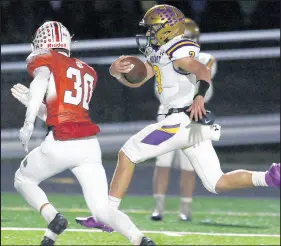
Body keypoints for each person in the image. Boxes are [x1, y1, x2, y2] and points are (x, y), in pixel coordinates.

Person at [75, 4, 280, 230]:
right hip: (191, 126)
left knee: (128, 153)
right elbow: (139, 80)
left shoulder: (177, 49)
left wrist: (199, 97)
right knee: (216, 182)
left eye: (152, 29)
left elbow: (202, 71)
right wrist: (116, 73)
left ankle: (108, 216)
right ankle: (270, 177)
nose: (148, 34)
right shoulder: (162, 51)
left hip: (179, 121)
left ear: (167, 29)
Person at [12, 21, 155, 246]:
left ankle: (53, 219)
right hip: (88, 146)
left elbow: (40, 81)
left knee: (22, 179)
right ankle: (140, 239)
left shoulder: (44, 59)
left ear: (42, 42)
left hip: (61, 142)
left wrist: (28, 122)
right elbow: (63, 113)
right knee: (101, 210)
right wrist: (33, 103)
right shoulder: (86, 70)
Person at [151, 18, 217, 222]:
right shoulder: (164, 57)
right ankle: (158, 207)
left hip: (193, 114)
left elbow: (198, 77)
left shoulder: (205, 58)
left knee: (189, 165)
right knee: (162, 162)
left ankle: (185, 209)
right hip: (168, 113)